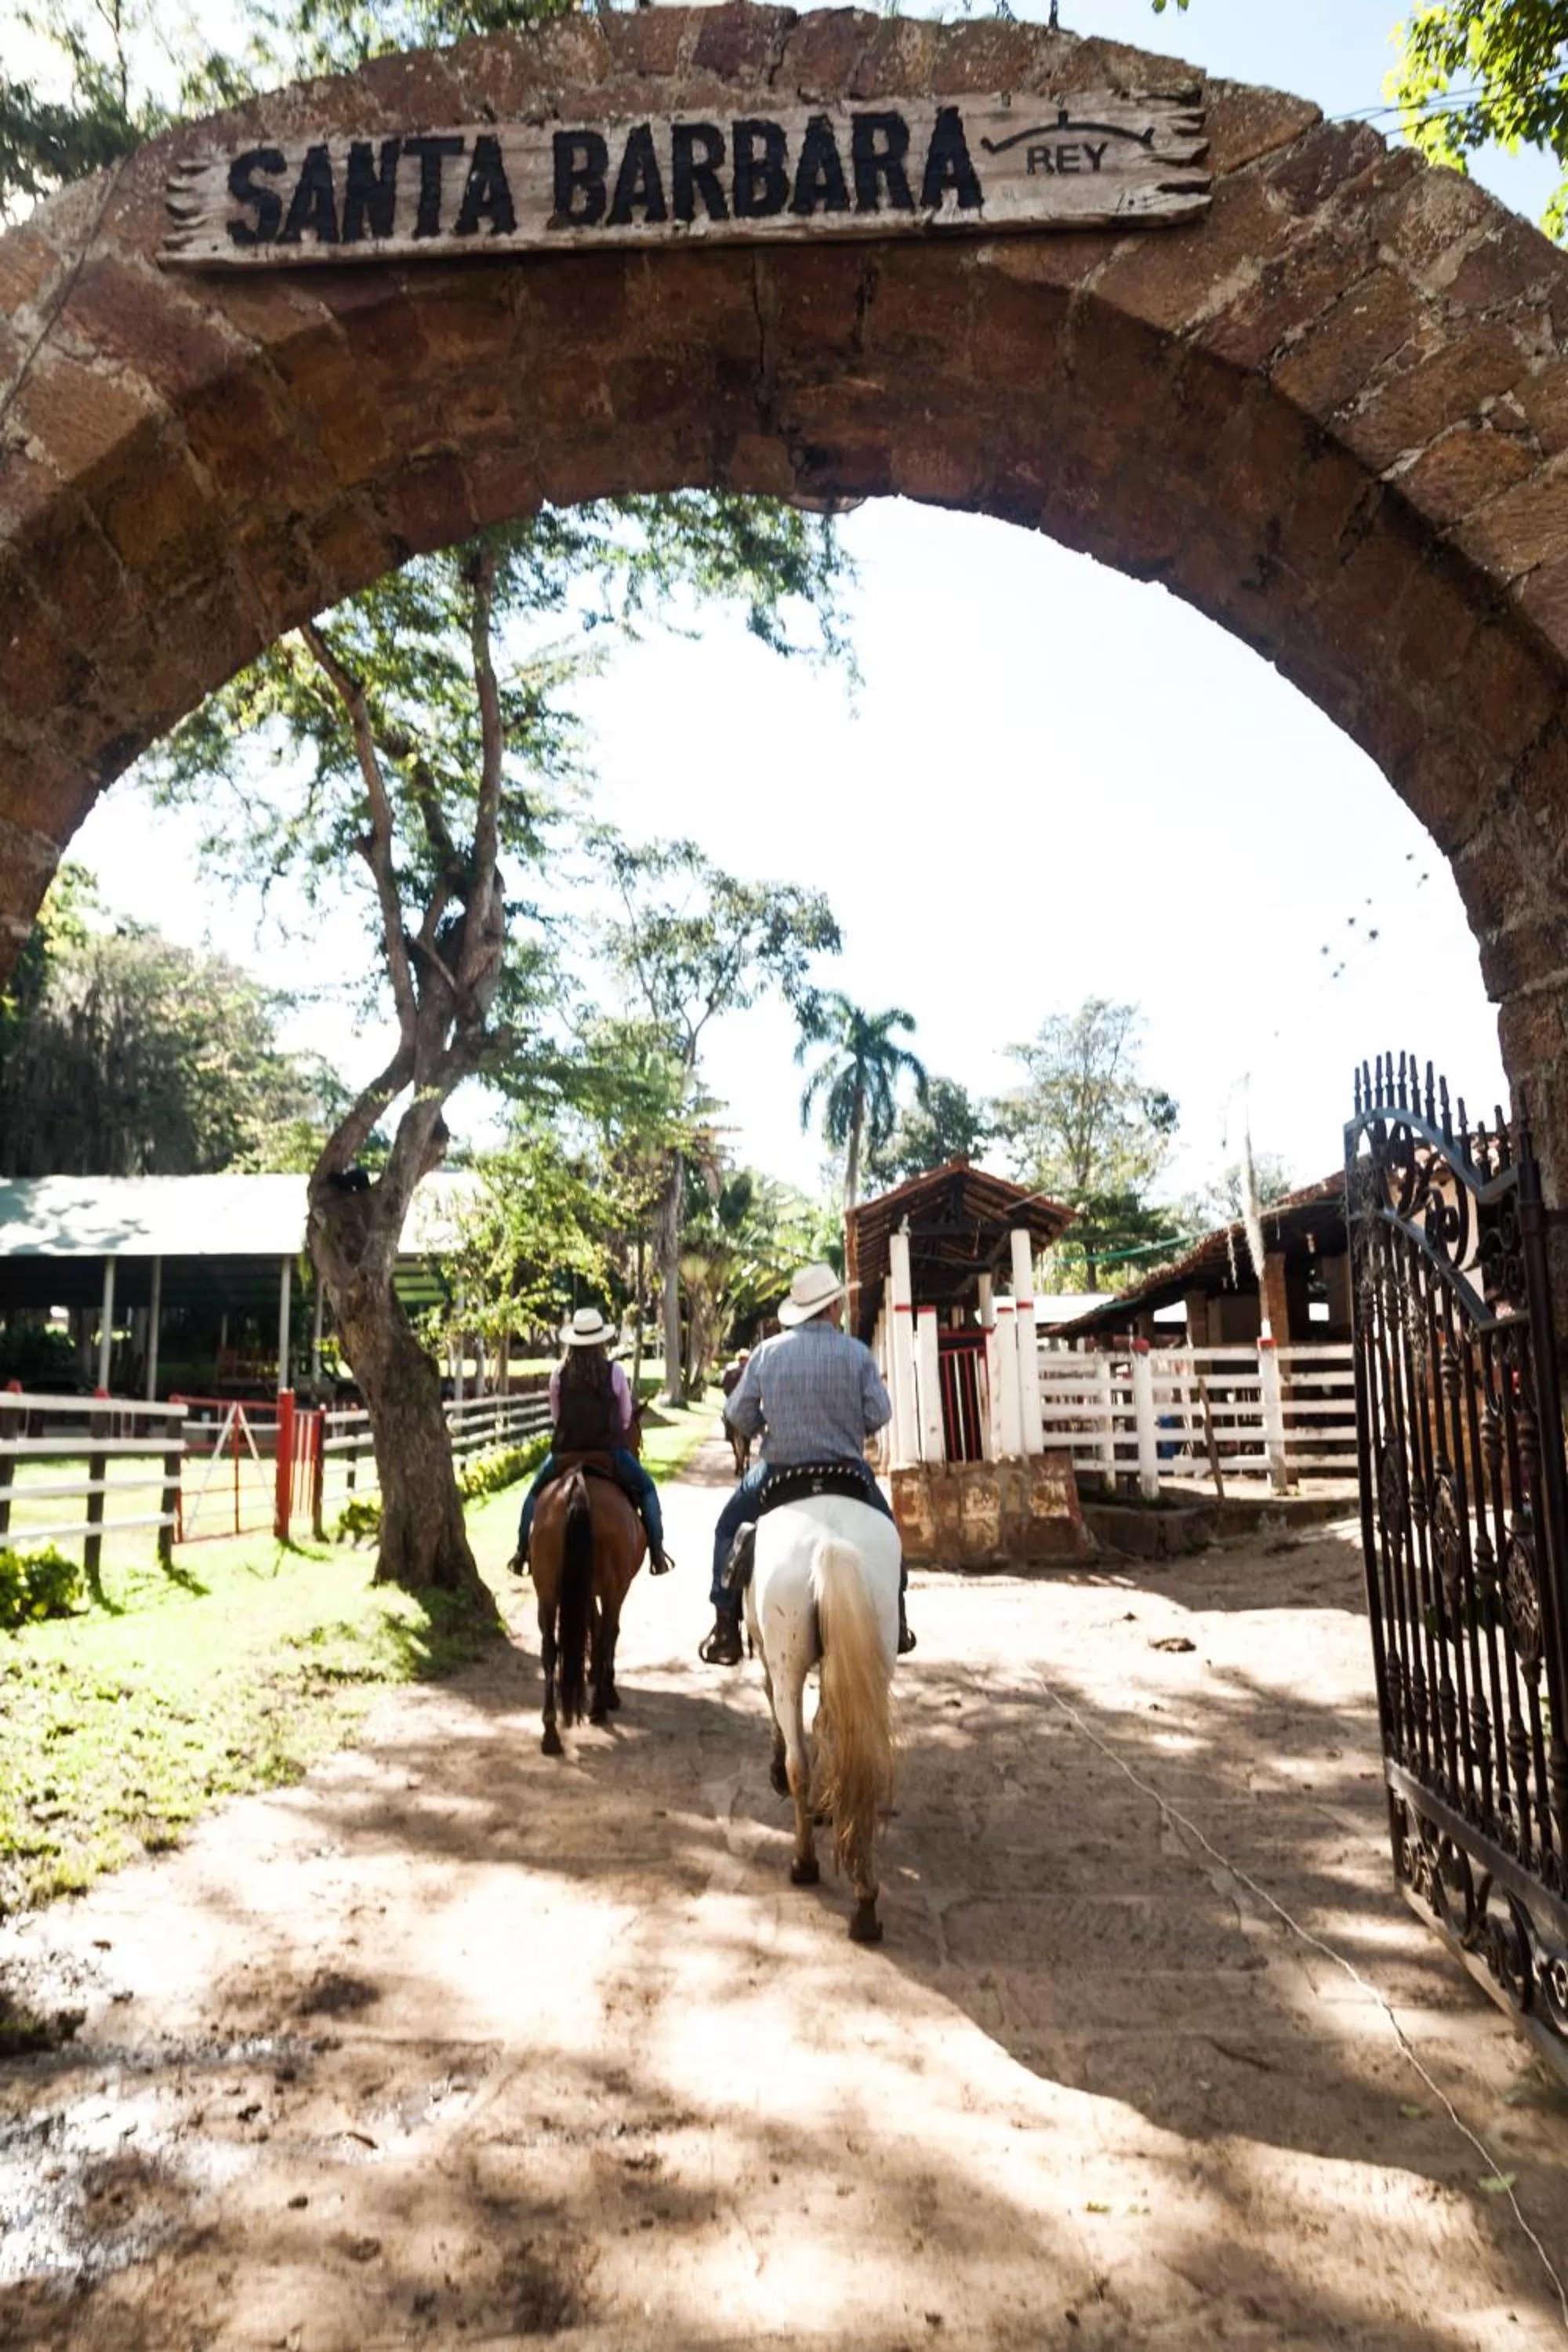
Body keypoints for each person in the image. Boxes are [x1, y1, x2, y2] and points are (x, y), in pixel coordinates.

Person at [700, 1260, 911, 1667]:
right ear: (830, 1307)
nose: (841, 1310)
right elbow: (880, 1413)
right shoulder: (857, 1353)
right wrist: (849, 1425)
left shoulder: (767, 1353)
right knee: (890, 1535)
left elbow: (737, 1414)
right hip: (848, 1473)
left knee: (728, 1527)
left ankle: (725, 1625)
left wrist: (767, 1425)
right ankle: (897, 1619)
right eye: (838, 1304)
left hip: (780, 1472)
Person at [513, 1307, 671, 1576]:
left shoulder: (558, 1375)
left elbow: (557, 1418)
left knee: (534, 1494)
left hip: (565, 1454)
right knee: (647, 1489)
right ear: (601, 1342)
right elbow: (625, 1419)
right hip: (608, 1453)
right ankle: (657, 1554)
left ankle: (521, 1552)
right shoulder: (615, 1373)